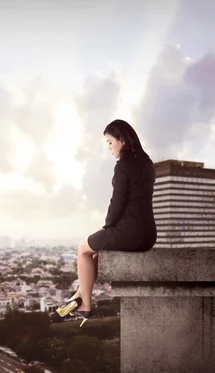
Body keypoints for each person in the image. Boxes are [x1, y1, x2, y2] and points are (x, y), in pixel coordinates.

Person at [56, 119, 157, 326]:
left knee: (84, 249)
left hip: (128, 232)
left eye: (110, 142)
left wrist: (108, 225)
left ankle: (85, 305)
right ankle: (78, 295)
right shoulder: (147, 162)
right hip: (148, 235)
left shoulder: (123, 165)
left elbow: (118, 201)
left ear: (122, 139)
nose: (109, 148)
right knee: (98, 251)